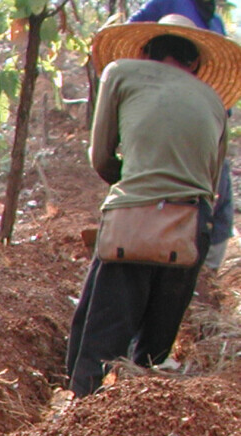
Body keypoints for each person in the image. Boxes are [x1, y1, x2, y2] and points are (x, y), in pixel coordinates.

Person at [67, 17, 240, 395]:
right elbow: (213, 186)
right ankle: (139, 402)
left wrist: (134, 182)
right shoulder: (213, 100)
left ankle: (80, 403)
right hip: (192, 224)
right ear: (194, 65)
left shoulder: (121, 72)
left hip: (133, 213)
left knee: (98, 336)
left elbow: (100, 158)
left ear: (145, 52)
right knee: (153, 349)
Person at [130, 0, 235, 271]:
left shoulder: (215, 21)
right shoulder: (169, 2)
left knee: (219, 209)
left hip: (206, 124)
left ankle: (204, 278)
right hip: (165, 120)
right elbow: (134, 33)